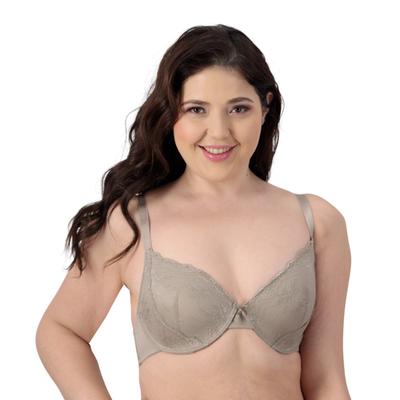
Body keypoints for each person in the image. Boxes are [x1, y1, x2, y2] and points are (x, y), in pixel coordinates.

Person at [35, 24, 352, 399]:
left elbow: (325, 378)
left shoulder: (316, 222)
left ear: (265, 108)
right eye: (197, 109)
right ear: (171, 113)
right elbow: (60, 330)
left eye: (238, 108)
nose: (218, 132)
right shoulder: (133, 222)